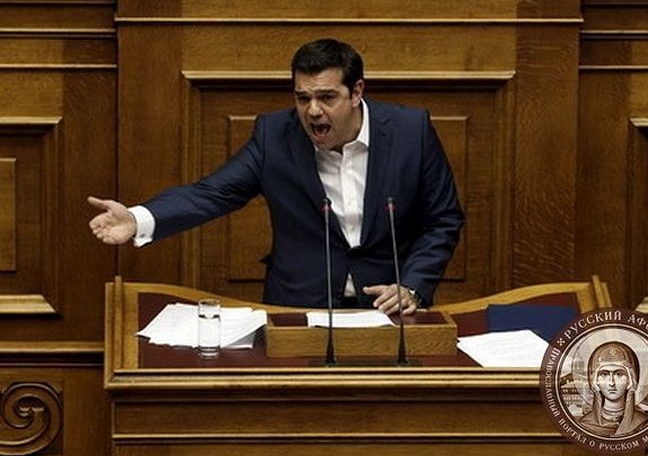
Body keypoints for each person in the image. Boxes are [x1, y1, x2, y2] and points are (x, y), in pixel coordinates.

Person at [88, 38, 464, 315]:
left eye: (326, 97)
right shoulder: (274, 137)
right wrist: (137, 218)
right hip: (298, 309)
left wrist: (413, 286)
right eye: (302, 98)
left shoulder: (411, 131)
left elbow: (443, 219)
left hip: (390, 310)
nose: (312, 111)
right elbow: (212, 193)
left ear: (356, 92)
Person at [578, 341, 648, 437]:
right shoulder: (586, 424)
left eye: (619, 374)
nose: (611, 383)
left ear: (630, 381)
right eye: (604, 374)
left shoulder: (642, 423)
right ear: (595, 381)